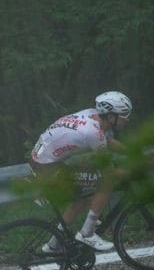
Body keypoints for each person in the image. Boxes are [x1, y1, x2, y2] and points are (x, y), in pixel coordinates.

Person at [29, 90, 132, 251]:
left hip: (42, 162)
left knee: (83, 196)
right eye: (124, 114)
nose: (127, 119)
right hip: (47, 168)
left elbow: (108, 140)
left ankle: (53, 245)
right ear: (111, 116)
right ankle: (87, 232)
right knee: (107, 180)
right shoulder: (93, 133)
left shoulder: (91, 115)